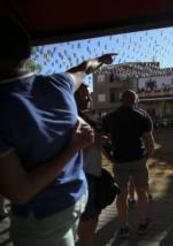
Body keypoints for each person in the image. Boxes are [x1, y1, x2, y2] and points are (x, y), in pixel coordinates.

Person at [0, 14, 114, 246]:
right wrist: (101, 60)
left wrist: (74, 147)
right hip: (77, 197)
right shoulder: (59, 83)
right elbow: (85, 67)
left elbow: (20, 192)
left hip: (42, 218)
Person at [103, 90, 155, 237]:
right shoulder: (143, 115)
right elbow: (150, 142)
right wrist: (146, 157)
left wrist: (110, 158)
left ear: (122, 100)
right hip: (138, 159)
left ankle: (123, 227)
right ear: (135, 100)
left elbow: (103, 142)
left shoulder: (109, 117)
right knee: (142, 192)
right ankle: (143, 223)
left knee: (121, 195)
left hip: (119, 161)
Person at [75, 84, 107, 246]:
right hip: (82, 177)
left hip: (90, 173)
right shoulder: (71, 118)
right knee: (87, 220)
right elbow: (68, 148)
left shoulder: (82, 117)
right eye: (84, 95)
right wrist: (94, 142)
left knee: (90, 219)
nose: (88, 98)